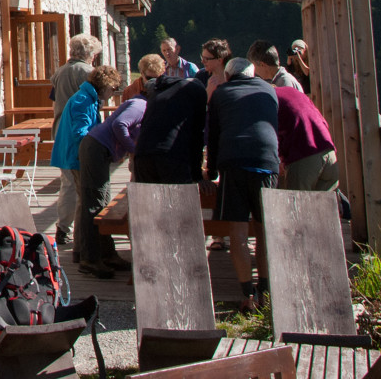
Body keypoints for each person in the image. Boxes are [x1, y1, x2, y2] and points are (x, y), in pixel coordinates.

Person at [206, 57, 279, 311]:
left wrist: (211, 171)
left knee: (237, 232)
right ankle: (266, 292)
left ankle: (247, 294)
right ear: (253, 74)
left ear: (227, 76)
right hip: (266, 161)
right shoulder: (269, 89)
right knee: (264, 230)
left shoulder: (221, 93)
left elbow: (213, 135)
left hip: (234, 162)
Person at [73, 59, 154, 278]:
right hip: (95, 149)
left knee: (102, 202)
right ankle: (90, 259)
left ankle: (107, 254)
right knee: (94, 203)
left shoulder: (139, 103)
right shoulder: (141, 105)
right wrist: (133, 149)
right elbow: (120, 126)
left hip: (99, 149)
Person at [49, 63, 122, 251]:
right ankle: (84, 247)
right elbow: (80, 133)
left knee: (83, 201)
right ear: (105, 85)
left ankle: (82, 247)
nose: (113, 94)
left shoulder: (87, 97)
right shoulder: (84, 100)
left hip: (76, 154)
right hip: (77, 156)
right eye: (113, 89)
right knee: (85, 202)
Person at [47, 34, 103, 245]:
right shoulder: (88, 73)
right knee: (77, 183)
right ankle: (73, 229)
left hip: (61, 129)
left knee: (67, 181)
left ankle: (64, 226)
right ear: (89, 54)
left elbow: (54, 98)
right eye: (94, 54)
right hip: (79, 132)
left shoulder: (60, 71)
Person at [134, 52, 208, 184]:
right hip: (172, 155)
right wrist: (197, 176)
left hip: (142, 154)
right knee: (177, 202)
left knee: (149, 204)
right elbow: (197, 136)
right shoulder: (196, 93)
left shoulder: (158, 92)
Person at [276, 85, 338, 191]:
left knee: (298, 205)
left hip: (303, 156)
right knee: (325, 206)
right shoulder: (293, 93)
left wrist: (280, 158)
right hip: (328, 152)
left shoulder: (270, 98)